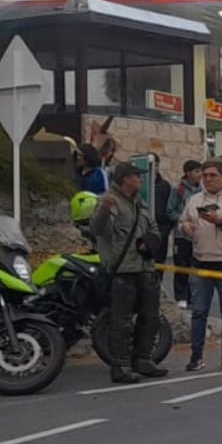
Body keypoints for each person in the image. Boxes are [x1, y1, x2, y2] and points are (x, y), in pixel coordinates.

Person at [92, 160, 168, 385]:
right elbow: (98, 230)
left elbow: (153, 228)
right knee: (122, 321)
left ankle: (143, 359)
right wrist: (104, 211)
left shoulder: (139, 203)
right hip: (123, 270)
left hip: (144, 267)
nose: (141, 179)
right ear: (126, 179)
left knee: (151, 317)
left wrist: (150, 242)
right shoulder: (109, 201)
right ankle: (121, 365)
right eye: (137, 176)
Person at [178, 159, 222, 372]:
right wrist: (186, 227)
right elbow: (183, 222)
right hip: (201, 260)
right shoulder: (194, 200)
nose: (207, 179)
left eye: (212, 175)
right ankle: (196, 356)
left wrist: (221, 222)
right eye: (205, 175)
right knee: (199, 311)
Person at [166, 160, 204, 308]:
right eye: (196, 171)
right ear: (188, 173)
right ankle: (181, 296)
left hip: (198, 235)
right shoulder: (178, 189)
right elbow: (170, 211)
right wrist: (183, 220)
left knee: (195, 267)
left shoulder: (202, 190)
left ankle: (193, 295)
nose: (199, 175)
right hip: (182, 235)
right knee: (181, 265)